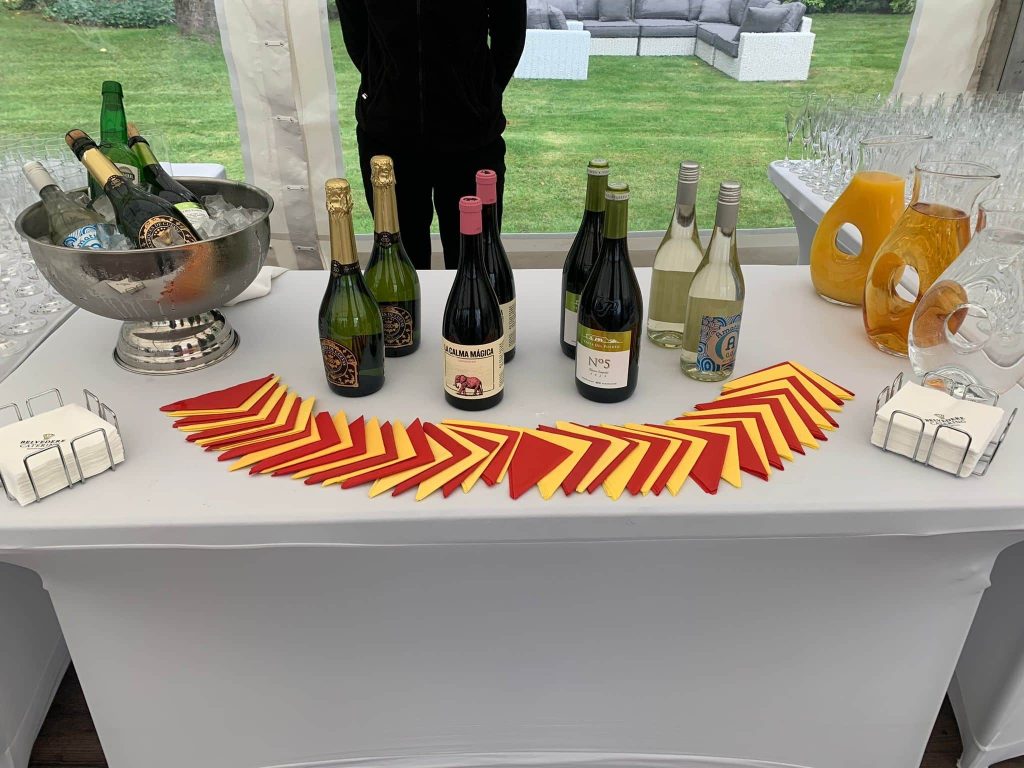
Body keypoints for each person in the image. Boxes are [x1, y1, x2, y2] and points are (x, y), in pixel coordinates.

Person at [336, 1, 527, 270]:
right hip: (388, 136)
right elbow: (355, 29)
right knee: (400, 266)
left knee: (474, 262)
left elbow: (510, 31)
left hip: (471, 136)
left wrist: (482, 94)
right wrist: (380, 85)